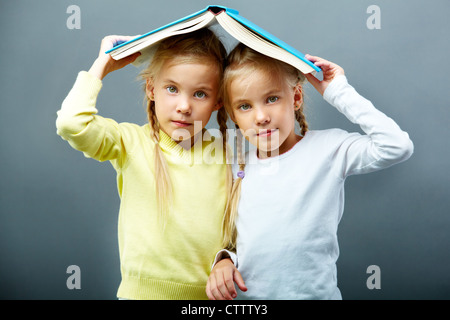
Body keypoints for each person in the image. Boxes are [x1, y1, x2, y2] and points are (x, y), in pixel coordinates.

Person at [206, 43, 414, 300]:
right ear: (233, 114)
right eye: (245, 106)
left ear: (295, 97)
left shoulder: (328, 149)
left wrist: (337, 91)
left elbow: (397, 146)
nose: (261, 117)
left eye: (272, 99)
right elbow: (245, 241)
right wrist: (224, 260)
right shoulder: (237, 166)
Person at [56, 29, 232, 299]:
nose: (184, 106)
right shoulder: (129, 142)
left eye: (200, 94)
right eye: (171, 89)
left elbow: (246, 227)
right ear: (152, 88)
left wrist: (227, 259)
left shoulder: (230, 155)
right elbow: (71, 123)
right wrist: (102, 65)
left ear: (218, 100)